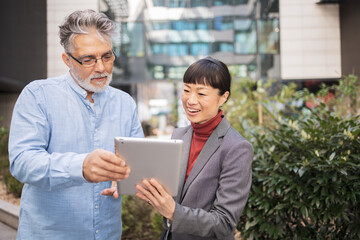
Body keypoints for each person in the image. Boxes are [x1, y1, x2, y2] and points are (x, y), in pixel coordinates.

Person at [8, 9, 143, 239]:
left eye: (107, 56)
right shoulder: (38, 95)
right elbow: (22, 162)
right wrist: (80, 167)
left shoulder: (125, 103)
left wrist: (126, 179)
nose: (100, 67)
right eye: (88, 59)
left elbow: (137, 162)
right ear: (67, 60)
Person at [103, 57, 253, 239]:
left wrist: (174, 212)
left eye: (201, 93)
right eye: (186, 90)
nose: (190, 100)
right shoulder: (179, 135)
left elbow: (224, 224)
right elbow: (169, 197)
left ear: (223, 97)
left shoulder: (237, 148)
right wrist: (129, 183)